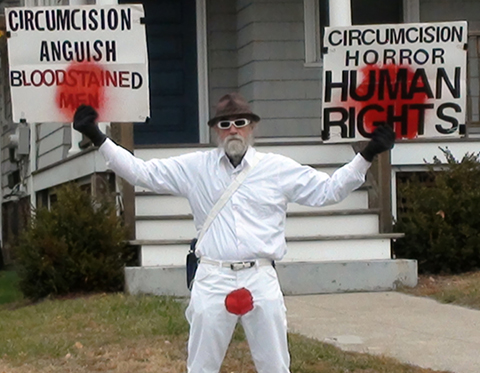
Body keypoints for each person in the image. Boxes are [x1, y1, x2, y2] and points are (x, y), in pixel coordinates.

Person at [73, 92, 395, 373]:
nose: (233, 130)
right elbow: (142, 173)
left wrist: (365, 155)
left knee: (275, 366)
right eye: (225, 125)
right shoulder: (195, 168)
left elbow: (327, 190)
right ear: (215, 130)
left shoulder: (276, 169)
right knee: (201, 366)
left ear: (252, 126)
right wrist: (99, 138)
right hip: (212, 275)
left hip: (260, 276)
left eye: (239, 122)